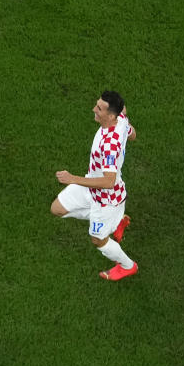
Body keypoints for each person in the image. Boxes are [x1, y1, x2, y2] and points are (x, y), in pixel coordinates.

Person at [51, 91, 138, 281]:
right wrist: (128, 132)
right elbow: (131, 131)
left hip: (107, 198)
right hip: (91, 185)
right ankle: (115, 221)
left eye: (99, 108)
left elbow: (109, 182)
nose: (94, 110)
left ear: (111, 116)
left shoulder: (109, 145)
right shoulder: (121, 119)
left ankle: (127, 266)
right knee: (57, 209)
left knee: (98, 239)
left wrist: (72, 178)